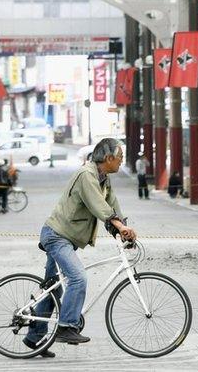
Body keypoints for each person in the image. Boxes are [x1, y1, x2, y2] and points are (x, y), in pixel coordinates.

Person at [24, 138, 136, 355]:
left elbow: (112, 205)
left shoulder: (104, 178)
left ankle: (33, 338)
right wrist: (118, 226)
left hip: (65, 238)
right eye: (120, 157)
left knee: (53, 288)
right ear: (109, 157)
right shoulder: (87, 175)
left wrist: (123, 228)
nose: (122, 161)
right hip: (57, 236)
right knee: (78, 278)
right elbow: (98, 205)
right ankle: (66, 326)